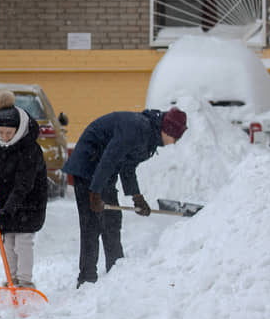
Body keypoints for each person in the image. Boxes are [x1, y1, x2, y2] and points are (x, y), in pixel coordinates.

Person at [62, 106, 187, 288]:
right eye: (175, 137)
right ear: (167, 130)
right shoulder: (137, 129)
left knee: (112, 218)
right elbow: (110, 158)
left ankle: (116, 269)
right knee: (91, 222)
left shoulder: (150, 139)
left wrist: (136, 196)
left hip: (104, 170)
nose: (174, 142)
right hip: (88, 162)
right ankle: (87, 278)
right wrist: (95, 192)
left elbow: (127, 166)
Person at [0, 90, 47, 288]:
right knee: (7, 242)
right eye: (1, 132)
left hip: (28, 201)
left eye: (9, 133)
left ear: (18, 129)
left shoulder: (30, 149)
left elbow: (24, 184)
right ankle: (11, 279)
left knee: (23, 242)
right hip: (3, 198)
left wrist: (8, 210)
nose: (4, 137)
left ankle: (25, 282)